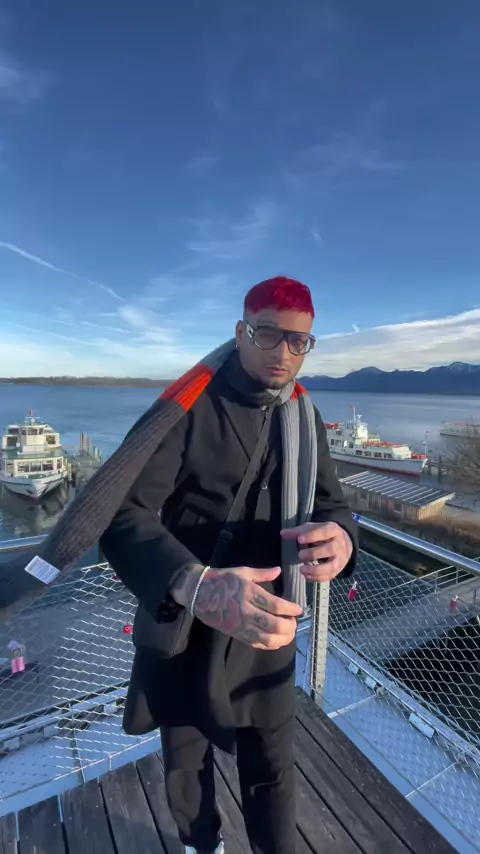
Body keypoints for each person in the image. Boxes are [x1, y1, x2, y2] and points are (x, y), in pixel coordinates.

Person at [100, 276, 358, 854]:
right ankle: (204, 845)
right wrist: (194, 583)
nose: (284, 352)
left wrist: (342, 539)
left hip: (269, 625)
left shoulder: (304, 415)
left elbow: (334, 505)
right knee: (185, 763)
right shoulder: (190, 408)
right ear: (241, 332)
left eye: (299, 341)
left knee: (273, 764)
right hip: (191, 620)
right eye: (268, 334)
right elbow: (121, 512)